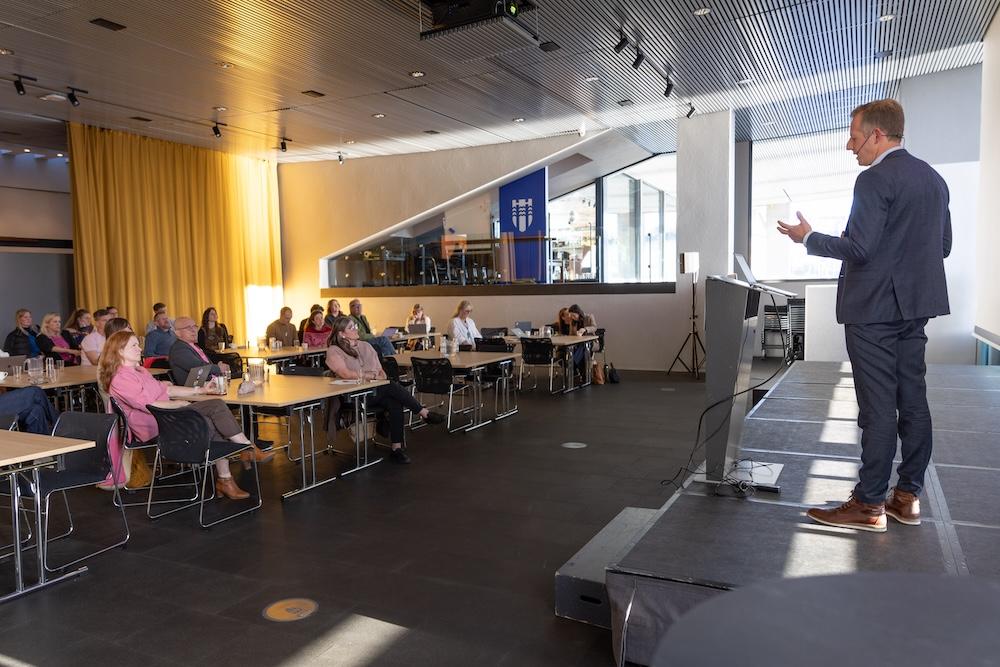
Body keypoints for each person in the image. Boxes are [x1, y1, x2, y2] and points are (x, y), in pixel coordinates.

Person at [777, 99, 951, 533]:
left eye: (854, 136)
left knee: (876, 408)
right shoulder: (933, 179)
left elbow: (860, 249)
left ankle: (869, 503)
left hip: (874, 310)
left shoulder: (873, 180)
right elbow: (942, 246)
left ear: (877, 135)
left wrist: (809, 238)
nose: (849, 145)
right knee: (913, 401)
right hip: (914, 308)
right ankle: (906, 497)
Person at [99, 331, 272, 500]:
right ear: (120, 351)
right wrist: (180, 404)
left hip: (167, 416)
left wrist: (200, 390)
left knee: (213, 412)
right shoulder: (121, 378)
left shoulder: (140, 372)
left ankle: (231, 471)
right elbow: (147, 405)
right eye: (134, 345)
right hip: (157, 424)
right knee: (212, 413)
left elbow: (167, 389)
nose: (139, 349)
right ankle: (243, 453)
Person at [325, 316, 444, 464]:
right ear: (342, 333)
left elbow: (382, 373)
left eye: (355, 326)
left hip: (375, 390)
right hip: (354, 395)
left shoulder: (366, 346)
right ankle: (423, 412)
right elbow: (345, 374)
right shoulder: (334, 350)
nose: (356, 329)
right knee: (389, 386)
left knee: (394, 400)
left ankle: (397, 448)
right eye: (351, 327)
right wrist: (370, 376)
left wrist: (373, 376)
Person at [168, 317, 229, 385]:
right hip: (194, 389)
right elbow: (197, 367)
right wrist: (218, 368)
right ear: (177, 333)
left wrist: (218, 368)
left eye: (194, 327)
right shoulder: (179, 349)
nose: (193, 330)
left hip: (208, 384)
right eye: (188, 328)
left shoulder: (193, 346)